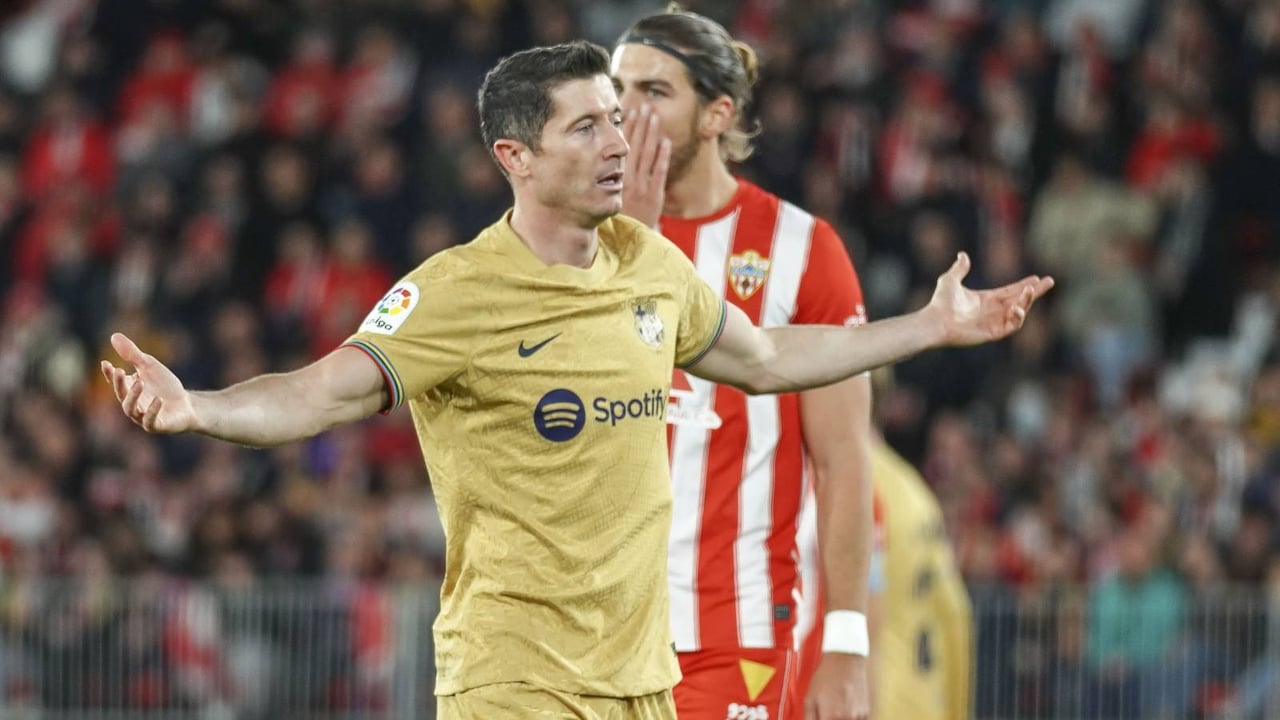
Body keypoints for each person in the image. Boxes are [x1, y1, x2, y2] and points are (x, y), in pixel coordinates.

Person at [100, 40, 1052, 720]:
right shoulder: (457, 291)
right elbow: (320, 391)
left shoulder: (646, 263)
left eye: (618, 120)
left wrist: (930, 326)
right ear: (515, 157)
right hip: (516, 680)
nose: (618, 145)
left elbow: (766, 360)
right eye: (587, 127)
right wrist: (198, 409)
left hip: (640, 681)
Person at [611, 8, 875, 720]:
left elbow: (844, 461)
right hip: (589, 638)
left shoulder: (802, 251)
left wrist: (846, 644)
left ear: (715, 115)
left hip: (732, 638)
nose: (626, 113)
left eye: (654, 91)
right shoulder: (577, 243)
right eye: (618, 89)